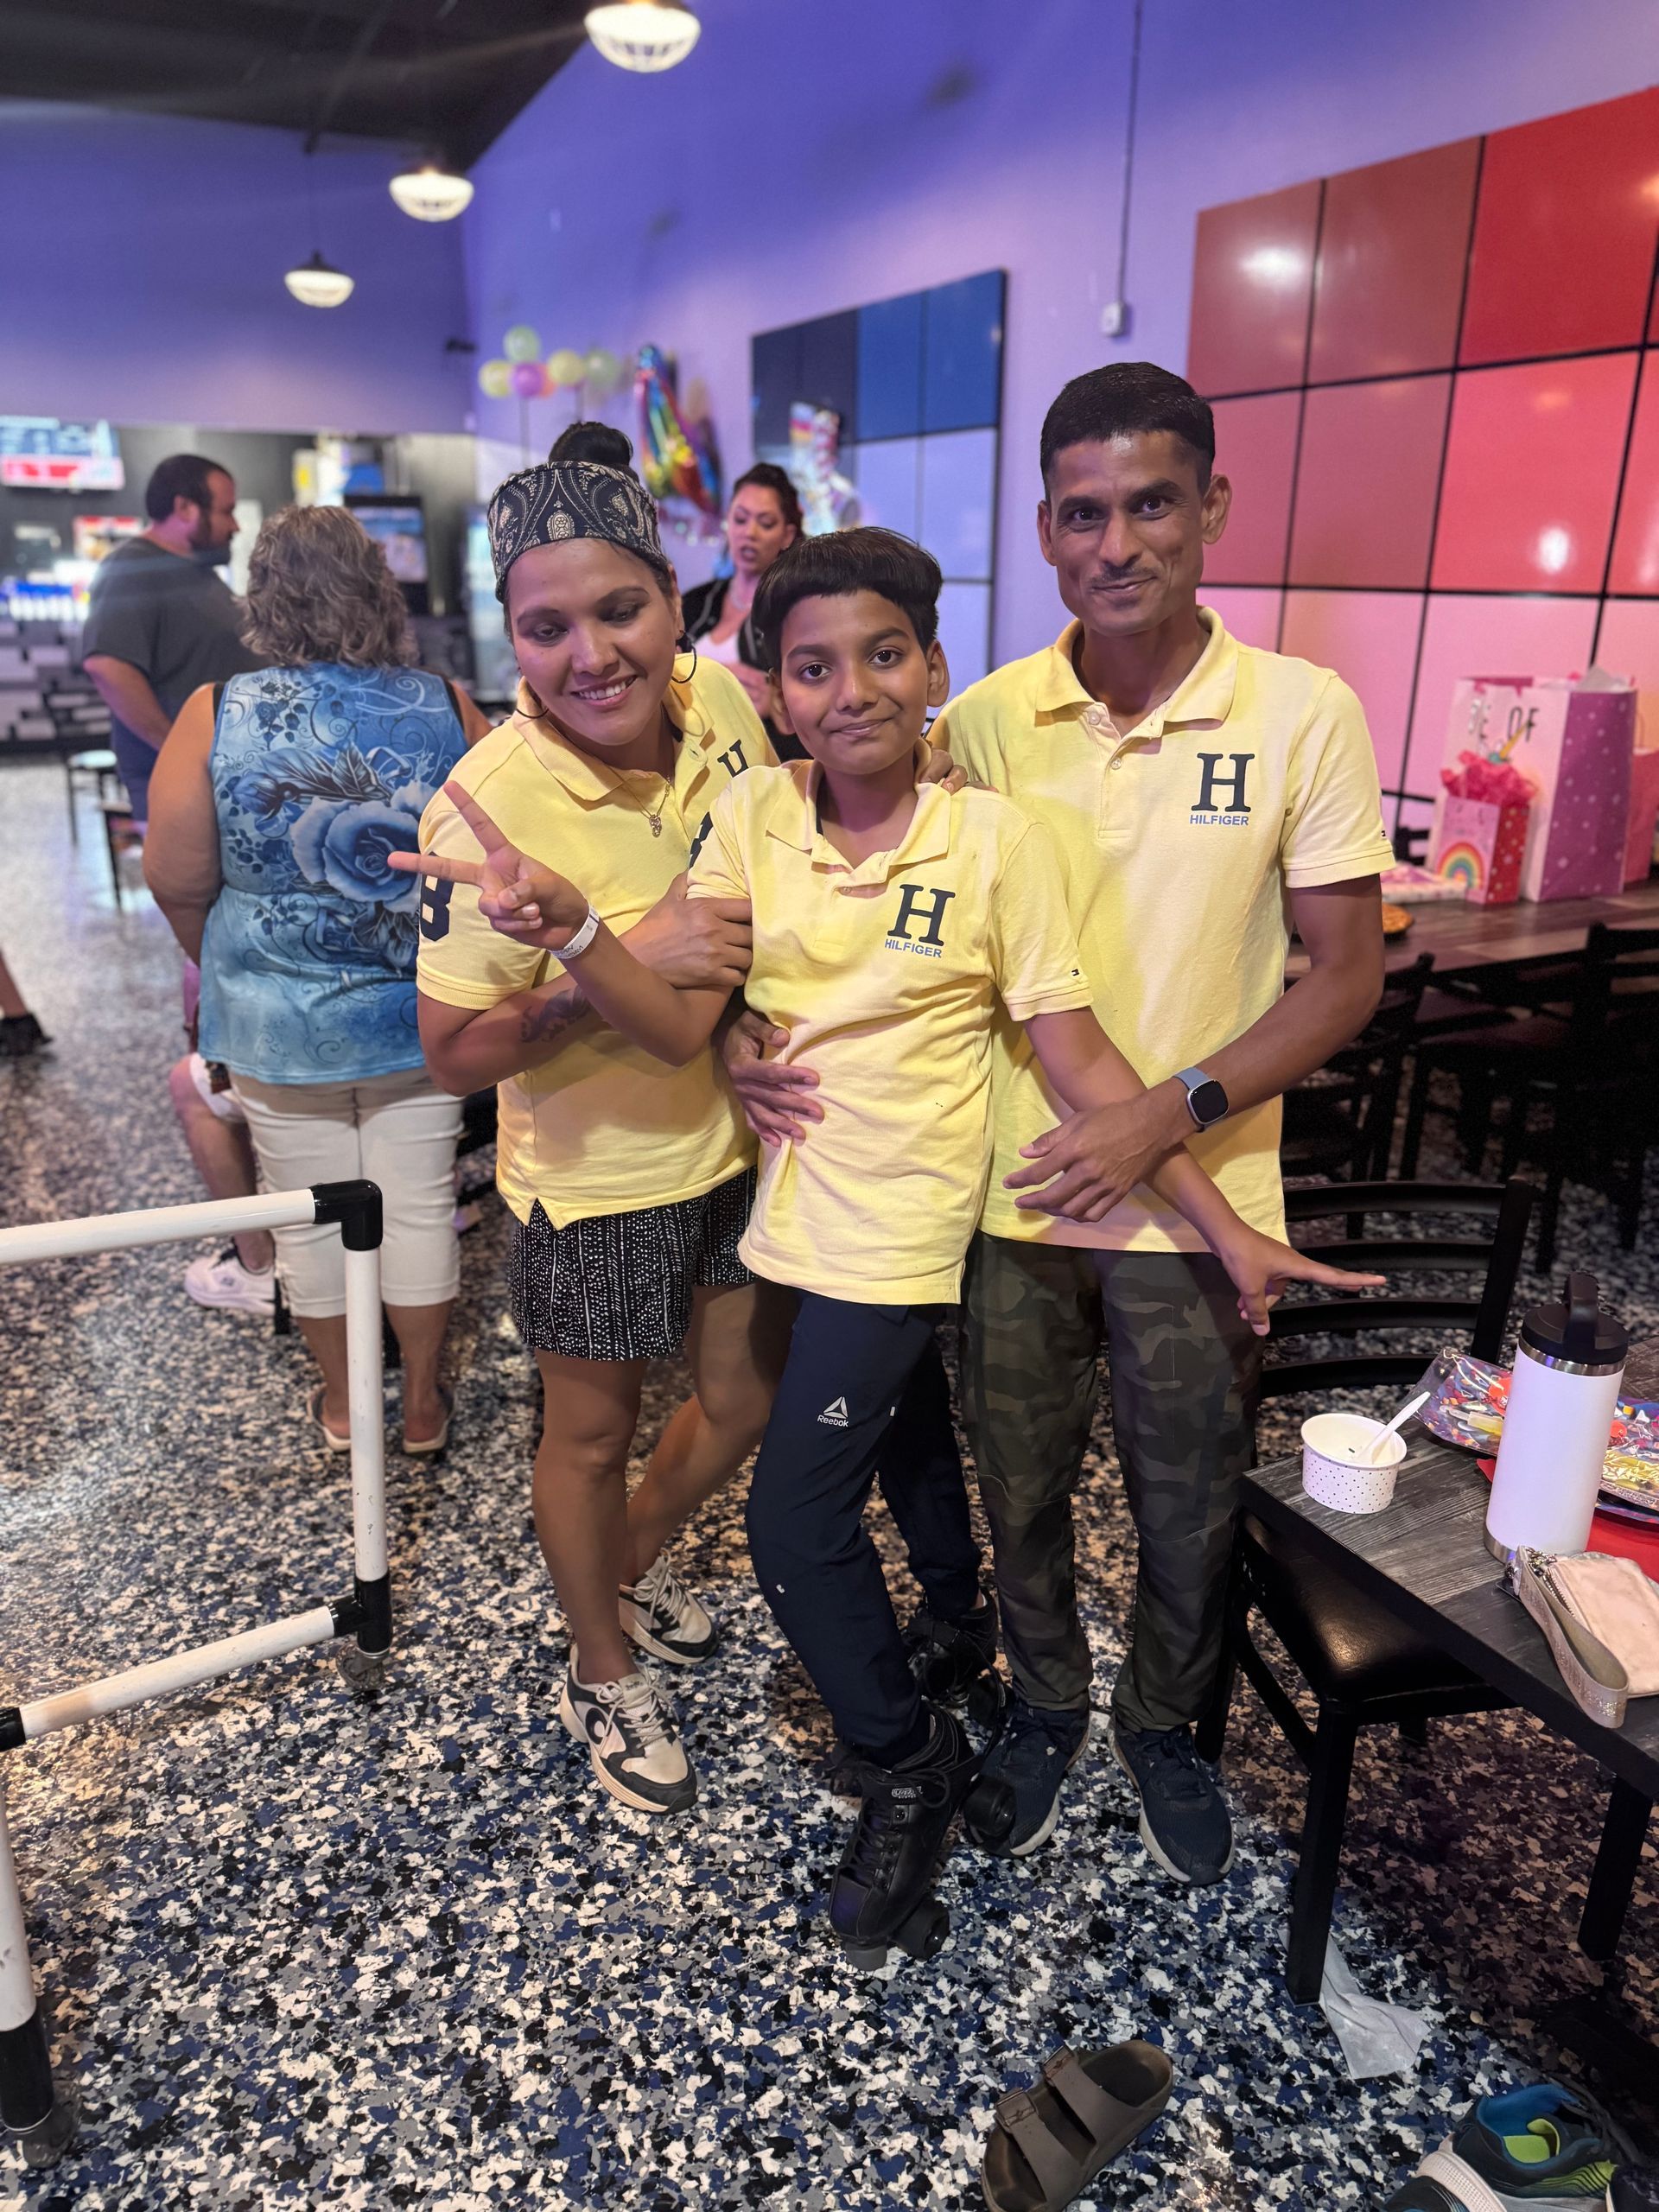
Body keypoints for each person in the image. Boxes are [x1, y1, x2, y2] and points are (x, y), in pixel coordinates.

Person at [402, 525, 1382, 1962]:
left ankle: (903, 1763)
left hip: (897, 1246)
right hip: (782, 1221)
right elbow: (680, 1020)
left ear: (935, 672)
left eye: (882, 656)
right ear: (775, 692)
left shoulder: (999, 840)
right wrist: (576, 932)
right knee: (898, 1456)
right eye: (812, 666)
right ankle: (954, 1637)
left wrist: (1221, 1222)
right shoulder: (756, 822)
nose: (849, 688)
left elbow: (1082, 1055)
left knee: (796, 1526)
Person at [726, 364, 1395, 1887]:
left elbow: (1344, 973)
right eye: (1084, 513)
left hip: (1199, 1188)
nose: (1118, 543)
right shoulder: (981, 718)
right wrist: (739, 1023)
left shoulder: (1302, 714)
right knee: (1016, 1492)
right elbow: (853, 895)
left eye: (1153, 503)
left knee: (1188, 1498)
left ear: (1212, 507)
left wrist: (1180, 1105)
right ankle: (1041, 1705)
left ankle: (1167, 1724)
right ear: (1043, 531)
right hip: (1011, 1194)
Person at [394, 442, 789, 1822]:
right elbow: (453, 1055)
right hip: (597, 1177)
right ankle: (600, 1659)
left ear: (676, 603)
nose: (588, 655)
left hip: (744, 1144)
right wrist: (603, 963)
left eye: (617, 611)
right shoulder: (484, 806)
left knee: (742, 1396)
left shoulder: (731, 708)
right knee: (588, 1430)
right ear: (513, 635)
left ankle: (612, 1565)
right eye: (546, 627)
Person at [143, 503, 491, 1452]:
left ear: (262, 598)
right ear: (381, 587)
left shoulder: (216, 713)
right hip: (419, 1015)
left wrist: (227, 964)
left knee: (310, 1222)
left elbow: (175, 877)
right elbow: (492, 860)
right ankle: (421, 1402)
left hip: (273, 1024)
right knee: (420, 1204)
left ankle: (346, 1407)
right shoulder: (448, 706)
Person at [82, 454, 264, 823]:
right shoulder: (131, 567)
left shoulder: (198, 571)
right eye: (226, 511)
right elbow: (108, 668)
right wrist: (181, 752)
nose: (235, 526)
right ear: (184, 507)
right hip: (183, 789)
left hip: (221, 781)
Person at [681, 464, 804, 741]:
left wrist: (780, 703)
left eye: (766, 523)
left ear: (787, 535)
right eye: (740, 519)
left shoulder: (798, 614)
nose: (750, 533)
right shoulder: (694, 603)